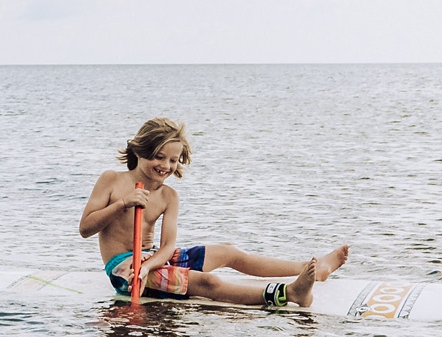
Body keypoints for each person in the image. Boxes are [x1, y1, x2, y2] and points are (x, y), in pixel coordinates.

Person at [79, 117, 349, 308]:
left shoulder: (168, 196)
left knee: (228, 251)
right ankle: (289, 293)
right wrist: (122, 204)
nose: (166, 166)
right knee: (207, 282)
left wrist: (150, 264)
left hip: (150, 261)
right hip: (125, 269)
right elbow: (85, 229)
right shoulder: (112, 180)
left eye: (173, 160)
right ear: (140, 151)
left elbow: (168, 246)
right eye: (159, 157)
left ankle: (312, 269)